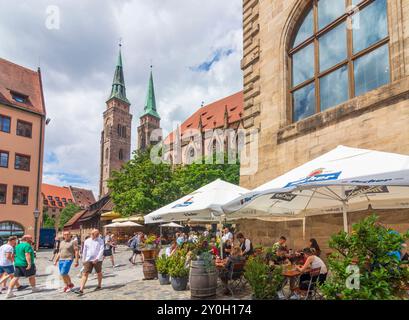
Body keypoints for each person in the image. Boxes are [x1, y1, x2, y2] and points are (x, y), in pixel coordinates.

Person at [75, 229, 104, 296]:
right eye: (95, 234)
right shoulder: (87, 241)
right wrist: (83, 259)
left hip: (98, 260)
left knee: (99, 272)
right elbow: (84, 250)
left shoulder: (100, 240)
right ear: (91, 234)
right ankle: (81, 289)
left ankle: (99, 285)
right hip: (88, 259)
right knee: (85, 273)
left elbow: (101, 250)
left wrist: (97, 258)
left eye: (98, 234)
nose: (97, 235)